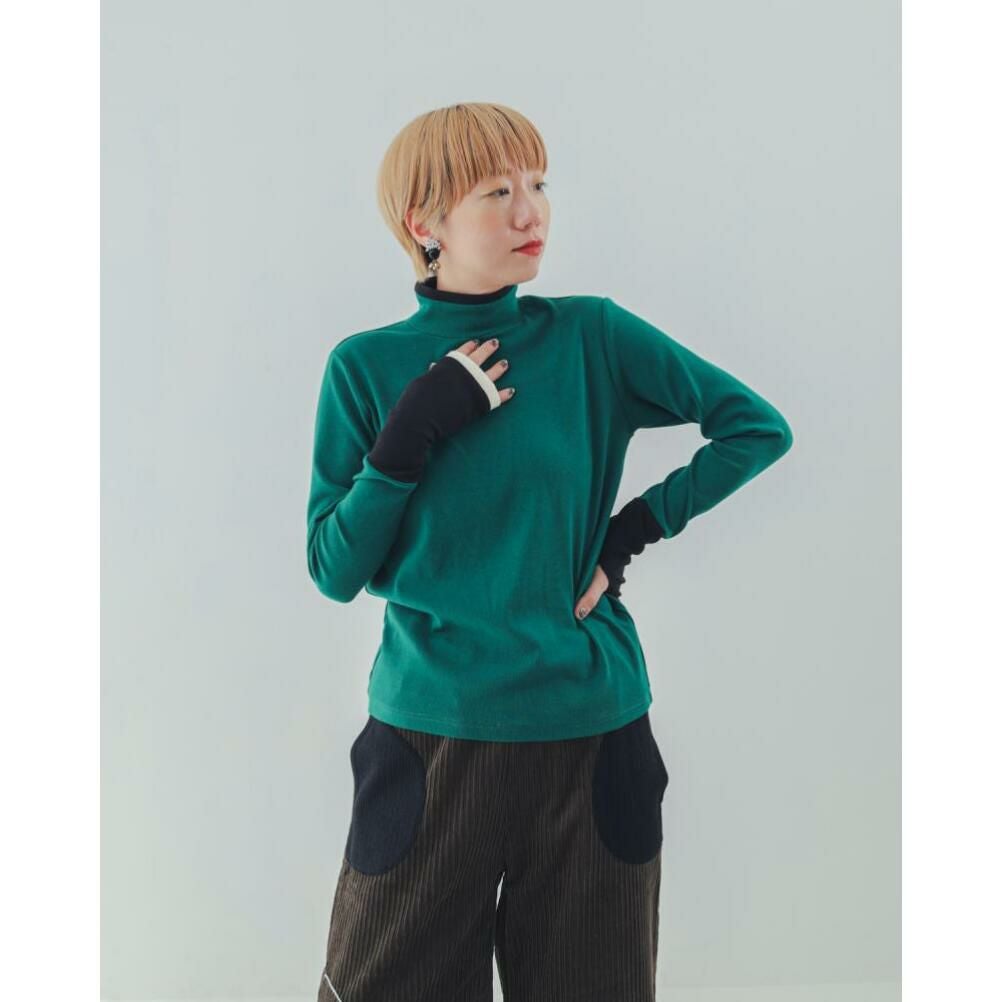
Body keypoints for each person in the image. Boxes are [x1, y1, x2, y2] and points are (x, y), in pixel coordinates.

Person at [306, 102, 793, 1002]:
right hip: (430, 743)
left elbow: (755, 428)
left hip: (591, 732)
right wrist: (409, 435)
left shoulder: (590, 337)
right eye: (497, 192)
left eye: (538, 184)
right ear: (425, 223)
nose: (531, 211)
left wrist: (629, 531)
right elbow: (336, 570)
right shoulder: (366, 368)